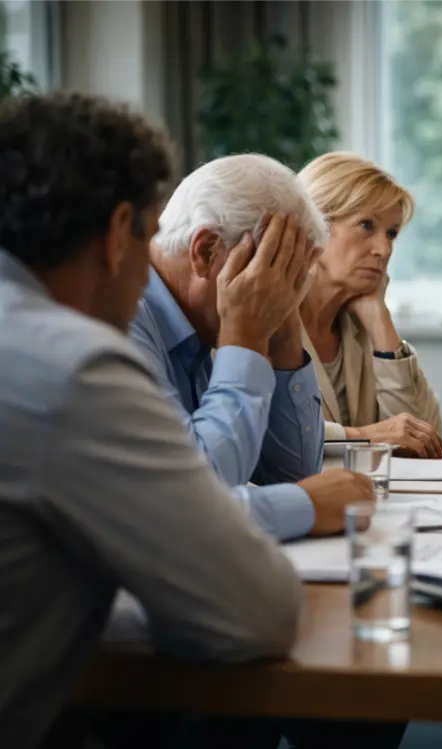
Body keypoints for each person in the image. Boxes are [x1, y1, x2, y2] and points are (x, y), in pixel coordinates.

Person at [0, 92, 304, 749]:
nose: (148, 274)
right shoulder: (74, 367)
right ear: (118, 233)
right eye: (146, 234)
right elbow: (257, 609)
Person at [131, 155, 371, 541]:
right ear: (207, 252)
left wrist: (284, 331)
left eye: (296, 275)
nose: (285, 292)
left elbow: (292, 473)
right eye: (277, 270)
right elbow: (193, 497)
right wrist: (244, 338)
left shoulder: (198, 325)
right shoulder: (124, 320)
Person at [297, 152, 442, 458]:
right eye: (366, 225)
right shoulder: (264, 318)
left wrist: (379, 319)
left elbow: (426, 438)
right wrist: (363, 436)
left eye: (391, 233)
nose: (384, 249)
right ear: (314, 224)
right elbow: (269, 432)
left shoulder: (358, 325)